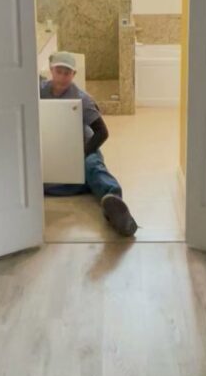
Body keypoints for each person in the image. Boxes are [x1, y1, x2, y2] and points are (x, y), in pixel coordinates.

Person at [40, 51, 138, 237]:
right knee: (44, 170)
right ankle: (84, 184)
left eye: (67, 73)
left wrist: (80, 154)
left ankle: (114, 202)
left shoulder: (82, 99)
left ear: (73, 75)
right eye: (58, 71)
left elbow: (102, 132)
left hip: (82, 147)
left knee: (93, 166)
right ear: (51, 70)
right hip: (52, 146)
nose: (62, 76)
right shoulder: (38, 91)